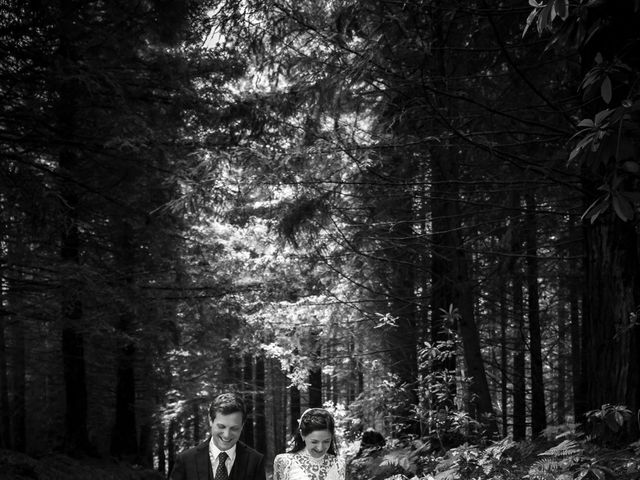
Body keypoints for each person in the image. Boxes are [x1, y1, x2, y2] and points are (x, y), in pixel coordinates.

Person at [169, 392, 266, 480]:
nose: (227, 435)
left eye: (234, 428)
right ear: (211, 421)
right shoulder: (185, 461)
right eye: (221, 427)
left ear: (242, 425)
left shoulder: (255, 462)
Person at [273, 408, 345, 480]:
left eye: (326, 441)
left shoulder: (339, 463)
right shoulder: (284, 461)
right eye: (314, 442)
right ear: (302, 435)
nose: (320, 448)